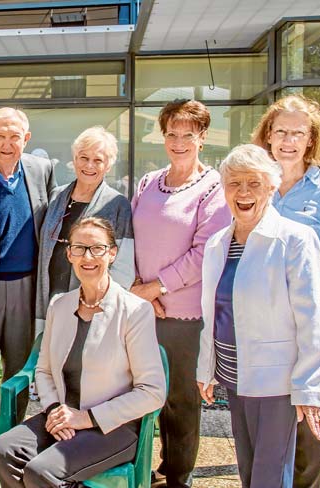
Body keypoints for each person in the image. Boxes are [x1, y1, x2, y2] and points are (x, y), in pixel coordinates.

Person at [0, 217, 166, 487]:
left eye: (97, 248)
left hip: (112, 427)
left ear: (112, 253)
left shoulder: (134, 311)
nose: (88, 257)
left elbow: (152, 392)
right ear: (69, 254)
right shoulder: (60, 306)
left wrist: (87, 418)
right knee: (4, 450)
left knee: (42, 471)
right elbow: (44, 369)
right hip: (63, 416)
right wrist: (53, 410)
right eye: (79, 248)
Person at [197, 144, 320, 488]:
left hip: (276, 382)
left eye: (254, 183)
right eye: (234, 183)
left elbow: (311, 319)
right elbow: (213, 313)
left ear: (272, 187)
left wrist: (308, 388)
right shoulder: (217, 243)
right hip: (235, 375)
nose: (243, 192)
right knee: (249, 468)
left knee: (269, 475)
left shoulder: (295, 240)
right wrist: (206, 369)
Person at [251, 95, 320, 486]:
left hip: (315, 321)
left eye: (298, 133)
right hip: (264, 321)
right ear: (269, 136)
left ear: (311, 139)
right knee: (271, 412)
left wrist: (310, 319)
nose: (288, 141)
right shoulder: (258, 186)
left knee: (309, 411)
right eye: (281, 132)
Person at [129, 99, 231, 488]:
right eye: (172, 133)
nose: (178, 141)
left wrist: (155, 288)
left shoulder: (213, 188)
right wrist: (141, 292)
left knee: (181, 404)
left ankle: (177, 476)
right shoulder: (147, 182)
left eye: (188, 134)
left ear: (202, 138)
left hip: (184, 317)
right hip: (143, 311)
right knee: (141, 395)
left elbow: (204, 252)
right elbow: (133, 240)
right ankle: (143, 467)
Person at [0, 107, 56, 486]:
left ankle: (12, 441)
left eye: (15, 136)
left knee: (21, 369)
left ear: (27, 139)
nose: (8, 143)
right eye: (0, 136)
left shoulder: (40, 170)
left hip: (26, 287)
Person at [36, 126, 134, 334]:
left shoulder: (118, 204)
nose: (89, 165)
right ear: (74, 158)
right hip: (50, 296)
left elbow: (124, 266)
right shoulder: (56, 196)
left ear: (108, 165)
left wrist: (101, 302)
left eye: (98, 160)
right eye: (83, 157)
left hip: (92, 303)